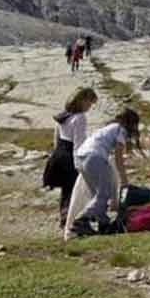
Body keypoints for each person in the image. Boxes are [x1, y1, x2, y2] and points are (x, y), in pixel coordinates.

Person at [72, 108, 140, 234]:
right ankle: (81, 220)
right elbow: (118, 157)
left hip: (81, 157)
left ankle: (103, 223)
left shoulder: (109, 128)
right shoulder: (121, 130)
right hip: (95, 156)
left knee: (97, 194)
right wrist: (124, 181)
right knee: (104, 193)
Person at [43, 87, 98, 226]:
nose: (90, 107)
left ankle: (64, 216)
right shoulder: (80, 118)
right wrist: (79, 164)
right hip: (70, 156)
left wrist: (54, 155)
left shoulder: (64, 115)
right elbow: (78, 143)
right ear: (83, 101)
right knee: (76, 189)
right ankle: (75, 219)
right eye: (89, 103)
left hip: (59, 154)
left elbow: (56, 137)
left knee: (66, 190)